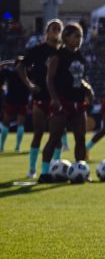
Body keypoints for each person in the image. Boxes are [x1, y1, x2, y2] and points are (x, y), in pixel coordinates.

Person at [39, 22, 93, 182]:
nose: (79, 39)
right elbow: (49, 78)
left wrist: (88, 88)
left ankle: (80, 170)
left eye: (81, 36)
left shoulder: (80, 57)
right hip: (63, 101)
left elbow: (79, 78)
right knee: (54, 138)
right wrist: (54, 98)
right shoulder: (58, 56)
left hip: (78, 101)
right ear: (66, 37)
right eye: (76, 36)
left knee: (80, 139)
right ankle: (44, 173)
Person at [19, 20, 64, 180]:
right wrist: (30, 85)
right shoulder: (37, 50)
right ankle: (32, 169)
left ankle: (56, 166)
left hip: (58, 99)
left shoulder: (63, 52)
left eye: (59, 29)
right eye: (54, 28)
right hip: (40, 97)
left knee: (57, 135)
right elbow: (20, 67)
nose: (57, 31)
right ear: (47, 32)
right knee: (38, 133)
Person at [1, 58, 31, 157]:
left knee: (6, 123)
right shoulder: (27, 74)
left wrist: (8, 62)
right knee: (20, 124)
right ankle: (17, 146)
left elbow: (0, 66)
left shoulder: (10, 73)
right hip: (23, 101)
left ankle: (1, 146)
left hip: (11, 101)